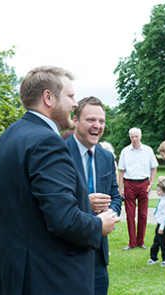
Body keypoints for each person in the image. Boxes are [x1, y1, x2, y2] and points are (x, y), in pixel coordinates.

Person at [0, 66, 120, 294]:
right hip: (43, 277)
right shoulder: (47, 141)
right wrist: (99, 224)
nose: (75, 103)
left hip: (7, 271)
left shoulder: (6, 137)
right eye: (71, 96)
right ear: (48, 97)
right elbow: (64, 220)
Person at [66, 96, 122, 295]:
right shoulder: (59, 152)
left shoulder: (106, 157)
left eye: (101, 121)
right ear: (75, 120)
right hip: (66, 253)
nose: (97, 125)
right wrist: (85, 203)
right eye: (90, 120)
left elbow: (116, 196)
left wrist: (109, 213)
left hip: (98, 254)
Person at [118, 127, 158, 250]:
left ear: (140, 137)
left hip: (144, 184)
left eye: (136, 136)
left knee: (143, 214)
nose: (134, 139)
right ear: (129, 137)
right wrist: (121, 188)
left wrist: (151, 183)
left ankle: (141, 242)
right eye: (132, 137)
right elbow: (121, 171)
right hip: (129, 183)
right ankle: (132, 243)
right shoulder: (125, 151)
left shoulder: (148, 150)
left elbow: (154, 167)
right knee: (130, 215)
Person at [147, 180, 165, 267]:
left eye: (159, 190)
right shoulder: (163, 199)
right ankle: (153, 257)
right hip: (159, 223)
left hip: (163, 225)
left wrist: (161, 228)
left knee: (163, 242)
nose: (157, 192)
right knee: (156, 241)